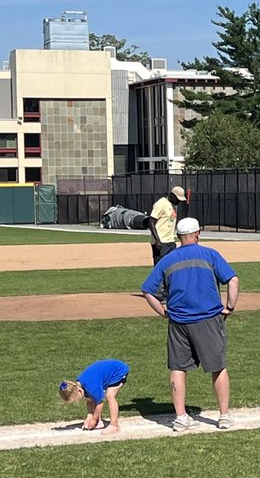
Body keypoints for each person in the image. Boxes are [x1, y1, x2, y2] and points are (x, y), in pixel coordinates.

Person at [140, 217, 238, 432]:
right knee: (218, 367)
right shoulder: (210, 254)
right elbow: (232, 279)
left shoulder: (168, 259)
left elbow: (147, 290)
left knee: (177, 368)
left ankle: (181, 417)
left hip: (178, 322)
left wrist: (163, 312)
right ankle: (223, 416)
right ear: (198, 233)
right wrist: (229, 307)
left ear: (178, 237)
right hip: (208, 319)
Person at [59, 358, 129, 433]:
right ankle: (99, 422)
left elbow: (100, 403)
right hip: (107, 371)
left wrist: (93, 419)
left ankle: (114, 426)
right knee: (94, 398)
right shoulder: (80, 384)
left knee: (110, 396)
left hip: (118, 370)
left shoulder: (90, 387)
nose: (77, 400)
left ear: (79, 391)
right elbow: (89, 401)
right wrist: (90, 416)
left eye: (76, 398)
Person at [149, 185, 186, 265]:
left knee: (173, 266)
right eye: (178, 199)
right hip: (161, 242)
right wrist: (157, 240)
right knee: (161, 267)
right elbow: (151, 221)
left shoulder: (173, 205)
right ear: (172, 195)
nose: (179, 202)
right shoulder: (161, 203)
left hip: (171, 242)